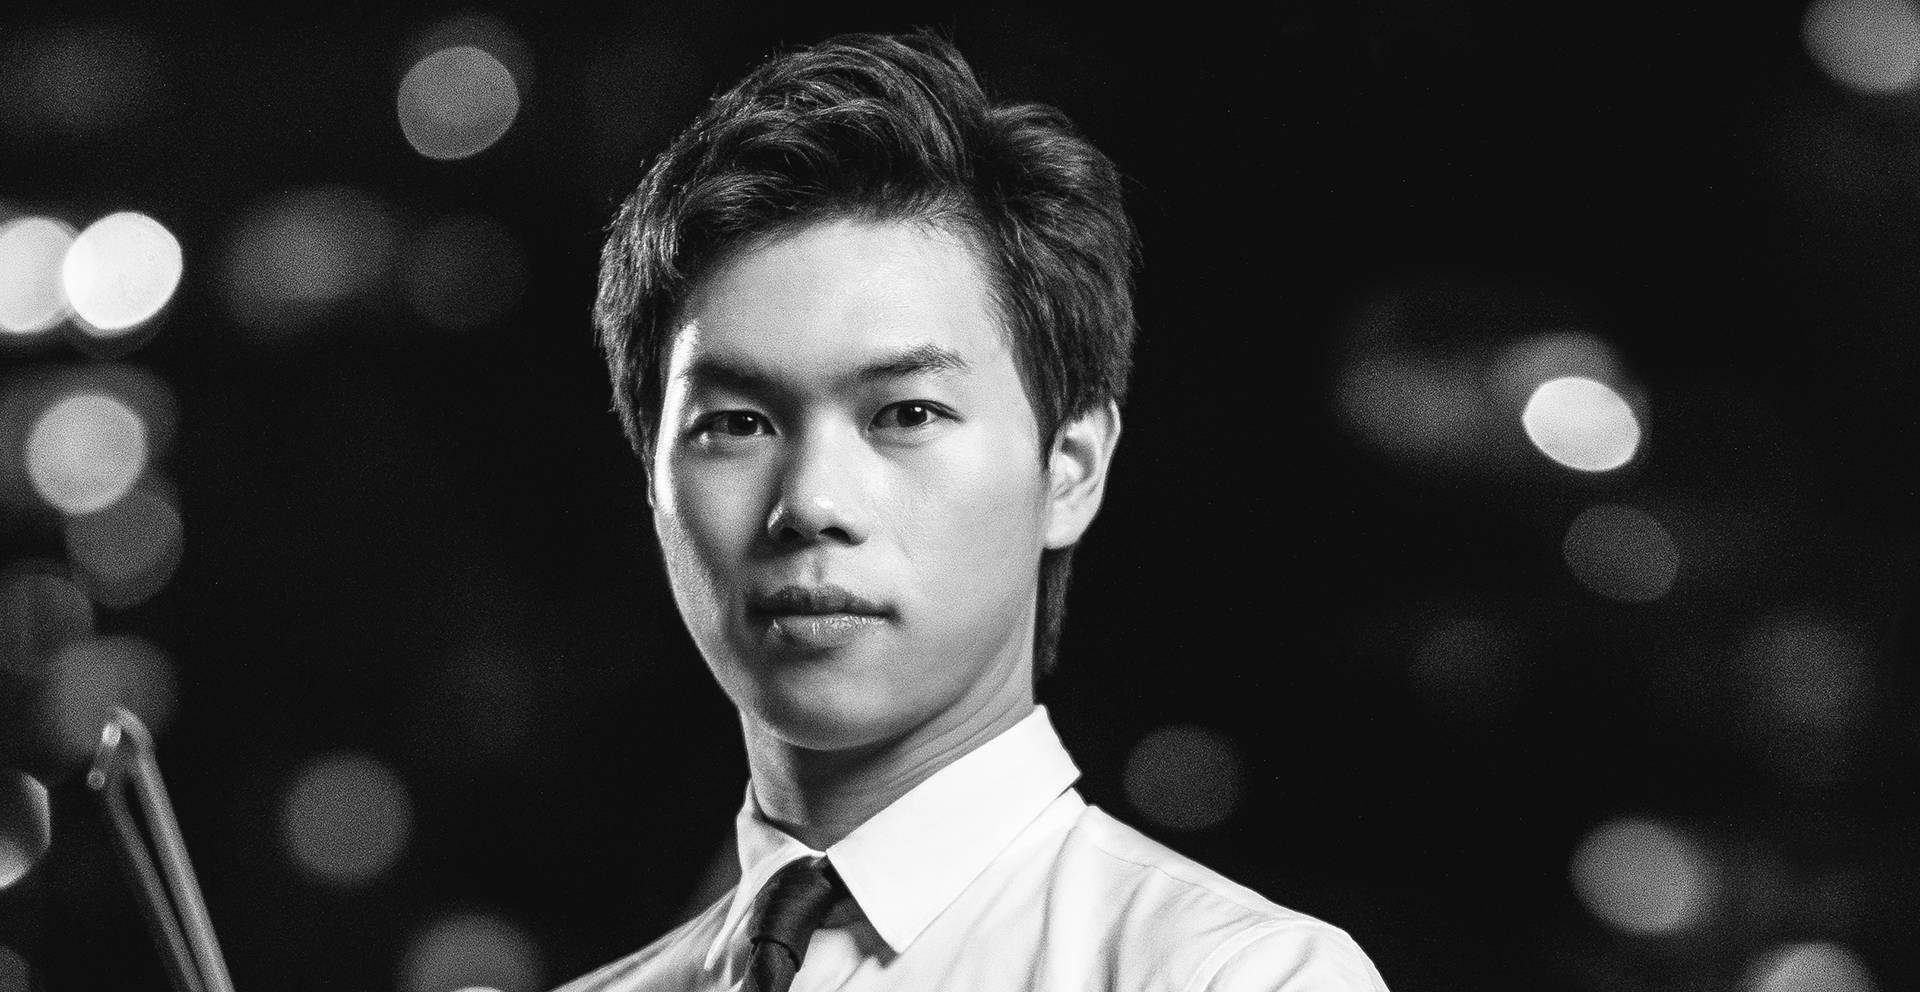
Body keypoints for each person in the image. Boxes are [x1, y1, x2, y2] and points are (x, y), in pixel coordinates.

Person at [555, 29, 1390, 992]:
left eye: (907, 414)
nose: (811, 503)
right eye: (737, 423)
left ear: (1070, 468)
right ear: (651, 477)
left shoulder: (1235, 976)